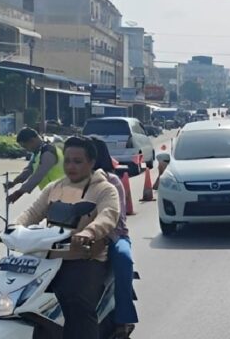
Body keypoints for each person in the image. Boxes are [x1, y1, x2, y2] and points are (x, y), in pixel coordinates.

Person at [13, 136, 121, 339]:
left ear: (91, 163)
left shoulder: (105, 189)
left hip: (85, 257)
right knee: (17, 297)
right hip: (49, 256)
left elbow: (109, 215)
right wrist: (14, 228)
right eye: (68, 161)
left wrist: (88, 232)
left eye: (78, 161)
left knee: (75, 301)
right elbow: (32, 212)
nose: (71, 166)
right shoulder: (55, 187)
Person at [88, 137, 138, 339]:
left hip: (114, 236)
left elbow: (114, 217)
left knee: (123, 261)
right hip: (78, 237)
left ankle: (123, 320)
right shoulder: (70, 183)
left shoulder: (112, 181)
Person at [6, 127, 64, 204]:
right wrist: (14, 182)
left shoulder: (48, 152)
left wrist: (19, 192)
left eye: (25, 146)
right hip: (52, 193)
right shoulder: (37, 153)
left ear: (32, 141)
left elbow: (39, 175)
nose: (26, 150)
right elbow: (28, 170)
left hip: (62, 192)